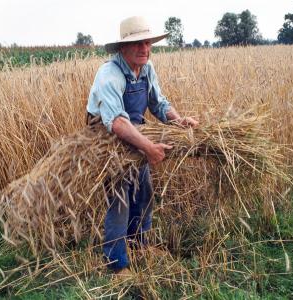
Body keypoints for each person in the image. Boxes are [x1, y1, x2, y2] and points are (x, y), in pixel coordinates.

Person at [86, 16, 198, 275]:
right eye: (137, 43)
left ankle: (139, 245)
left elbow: (159, 104)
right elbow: (115, 122)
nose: (144, 49)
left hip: (136, 135)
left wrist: (179, 121)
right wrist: (148, 147)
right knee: (120, 199)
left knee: (144, 191)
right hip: (108, 140)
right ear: (122, 48)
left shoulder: (146, 69)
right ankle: (116, 264)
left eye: (147, 42)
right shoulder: (109, 74)